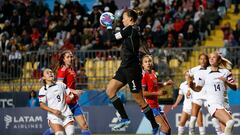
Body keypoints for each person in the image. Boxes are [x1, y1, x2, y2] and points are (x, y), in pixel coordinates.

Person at [104, 9, 160, 134]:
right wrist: (137, 12)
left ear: (130, 19)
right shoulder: (133, 28)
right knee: (110, 91)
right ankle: (124, 118)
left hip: (132, 69)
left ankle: (155, 126)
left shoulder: (130, 30)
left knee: (139, 100)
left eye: (124, 18)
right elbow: (133, 18)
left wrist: (108, 25)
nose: (122, 20)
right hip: (124, 67)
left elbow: (112, 38)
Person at [188, 52, 237, 135]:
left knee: (226, 131)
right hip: (213, 104)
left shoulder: (225, 72)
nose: (211, 58)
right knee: (230, 122)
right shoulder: (203, 73)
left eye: (214, 57)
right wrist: (192, 87)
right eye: (210, 57)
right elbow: (198, 89)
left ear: (218, 60)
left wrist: (226, 82)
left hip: (225, 104)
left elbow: (235, 87)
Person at [43, 50, 91, 135]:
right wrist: (74, 91)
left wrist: (74, 93)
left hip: (73, 102)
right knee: (55, 130)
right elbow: (59, 86)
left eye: (71, 56)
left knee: (84, 126)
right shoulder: (63, 70)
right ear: (64, 59)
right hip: (64, 103)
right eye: (68, 57)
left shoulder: (71, 69)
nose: (70, 58)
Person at [141, 55, 173, 135]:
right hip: (149, 107)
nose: (148, 63)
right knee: (165, 129)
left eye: (149, 61)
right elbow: (143, 93)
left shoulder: (153, 73)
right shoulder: (143, 76)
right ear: (142, 65)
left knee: (168, 130)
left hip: (156, 106)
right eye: (146, 62)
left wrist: (165, 83)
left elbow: (155, 85)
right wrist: (157, 93)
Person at [38, 68, 75, 135]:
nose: (50, 73)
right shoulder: (43, 90)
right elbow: (42, 105)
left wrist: (70, 97)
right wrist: (53, 111)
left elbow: (71, 95)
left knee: (71, 132)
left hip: (66, 114)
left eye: (51, 72)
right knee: (60, 133)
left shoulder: (61, 84)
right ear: (44, 77)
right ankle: (53, 128)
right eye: (47, 72)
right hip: (54, 116)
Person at [172, 71, 205, 135]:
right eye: (186, 75)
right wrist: (176, 104)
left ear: (192, 76)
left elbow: (200, 93)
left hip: (196, 106)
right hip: (186, 107)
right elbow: (180, 95)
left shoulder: (196, 84)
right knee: (181, 123)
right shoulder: (182, 85)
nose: (188, 77)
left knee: (200, 123)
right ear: (185, 76)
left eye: (189, 75)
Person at [188, 53, 209, 135]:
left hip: (208, 96)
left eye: (205, 59)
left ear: (207, 60)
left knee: (215, 119)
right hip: (197, 95)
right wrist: (190, 87)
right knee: (193, 119)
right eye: (201, 59)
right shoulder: (194, 69)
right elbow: (188, 75)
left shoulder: (211, 69)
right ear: (199, 60)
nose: (203, 60)